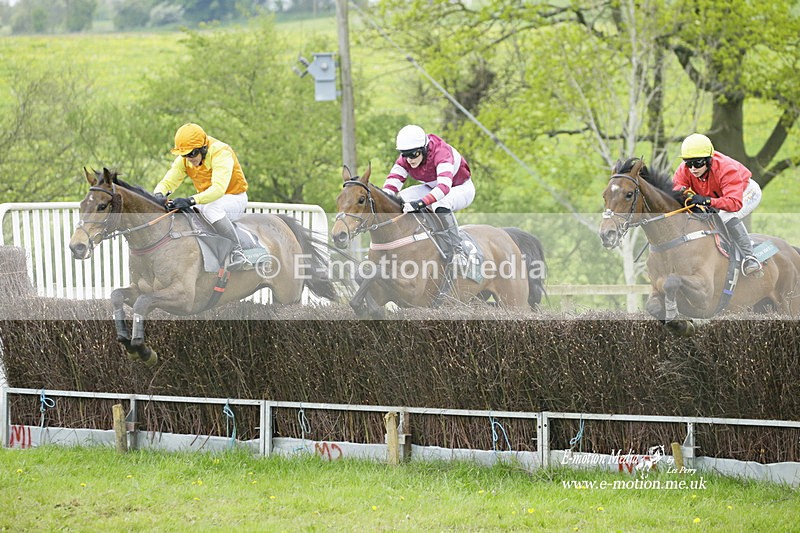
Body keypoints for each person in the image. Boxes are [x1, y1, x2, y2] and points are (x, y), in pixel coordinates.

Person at [154, 123, 250, 270]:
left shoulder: (221, 152)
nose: (189, 158)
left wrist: (190, 200)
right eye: (185, 155)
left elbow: (218, 189)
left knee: (210, 209)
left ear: (204, 148)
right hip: (209, 200)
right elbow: (168, 181)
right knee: (187, 213)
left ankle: (238, 251)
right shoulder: (185, 159)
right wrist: (158, 194)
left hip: (234, 197)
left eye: (192, 153)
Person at [383, 124, 475, 267]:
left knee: (441, 203)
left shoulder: (441, 153)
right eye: (405, 154)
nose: (409, 159)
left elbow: (444, 187)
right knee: (401, 198)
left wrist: (419, 203)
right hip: (432, 188)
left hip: (460, 188)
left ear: (424, 149)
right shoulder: (406, 159)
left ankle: (458, 250)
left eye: (413, 154)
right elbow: (391, 186)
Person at [673, 133, 763, 276]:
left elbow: (734, 203)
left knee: (725, 215)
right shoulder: (684, 170)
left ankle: (750, 257)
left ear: (709, 160)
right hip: (719, 196)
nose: (693, 169)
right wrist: (689, 196)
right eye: (689, 163)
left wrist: (706, 201)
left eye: (697, 163)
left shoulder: (726, 168)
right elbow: (677, 189)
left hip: (746, 193)